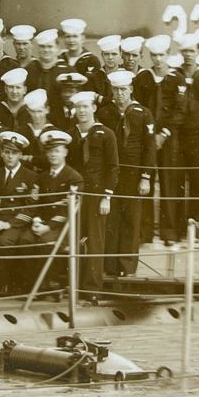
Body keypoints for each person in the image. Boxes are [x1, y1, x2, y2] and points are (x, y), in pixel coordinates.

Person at [156, 34, 199, 243]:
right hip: (175, 138)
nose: (189, 55)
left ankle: (195, 231)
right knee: (174, 184)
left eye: (192, 51)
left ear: (198, 51)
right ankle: (172, 232)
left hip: (197, 137)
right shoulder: (173, 77)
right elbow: (165, 108)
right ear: (180, 53)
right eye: (185, 51)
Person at [98, 71, 155, 277]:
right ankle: (110, 265)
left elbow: (150, 148)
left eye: (123, 89)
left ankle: (127, 266)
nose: (119, 94)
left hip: (133, 174)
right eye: (115, 90)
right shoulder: (105, 113)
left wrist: (145, 177)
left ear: (130, 89)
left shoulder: (143, 113)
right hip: (112, 173)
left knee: (131, 219)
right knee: (112, 219)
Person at [67, 91, 119, 296]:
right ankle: (73, 285)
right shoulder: (70, 135)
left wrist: (107, 197)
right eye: (78, 107)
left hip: (97, 195)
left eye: (85, 107)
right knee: (73, 238)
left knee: (95, 241)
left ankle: (92, 289)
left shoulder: (106, 134)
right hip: (75, 194)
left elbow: (113, 167)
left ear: (94, 108)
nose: (81, 111)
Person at [18, 130, 83, 290]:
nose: (53, 155)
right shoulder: (42, 177)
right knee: (25, 240)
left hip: (64, 227)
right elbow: (36, 202)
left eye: (57, 151)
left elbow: (68, 210)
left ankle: (49, 284)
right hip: (42, 223)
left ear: (65, 152)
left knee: (45, 242)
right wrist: (37, 221)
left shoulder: (73, 178)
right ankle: (33, 284)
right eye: (50, 151)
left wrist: (48, 227)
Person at [0, 131, 38, 296]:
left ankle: (3, 284)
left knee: (4, 241)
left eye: (14, 153)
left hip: (17, 222)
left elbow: (31, 208)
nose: (10, 156)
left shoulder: (31, 176)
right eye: (7, 152)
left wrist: (9, 224)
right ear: (1, 153)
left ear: (20, 155)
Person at [133, 34, 171, 243]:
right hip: (147, 139)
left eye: (161, 55)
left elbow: (178, 110)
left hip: (167, 139)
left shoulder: (175, 78)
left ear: (168, 55)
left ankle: (168, 232)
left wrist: (163, 134)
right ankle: (145, 232)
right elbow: (138, 106)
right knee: (146, 181)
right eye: (154, 55)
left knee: (169, 183)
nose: (158, 59)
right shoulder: (143, 78)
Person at [59, 18, 104, 93]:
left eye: (75, 36)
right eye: (68, 36)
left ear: (82, 38)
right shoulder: (60, 58)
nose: (71, 40)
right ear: (64, 38)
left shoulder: (91, 60)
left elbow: (96, 87)